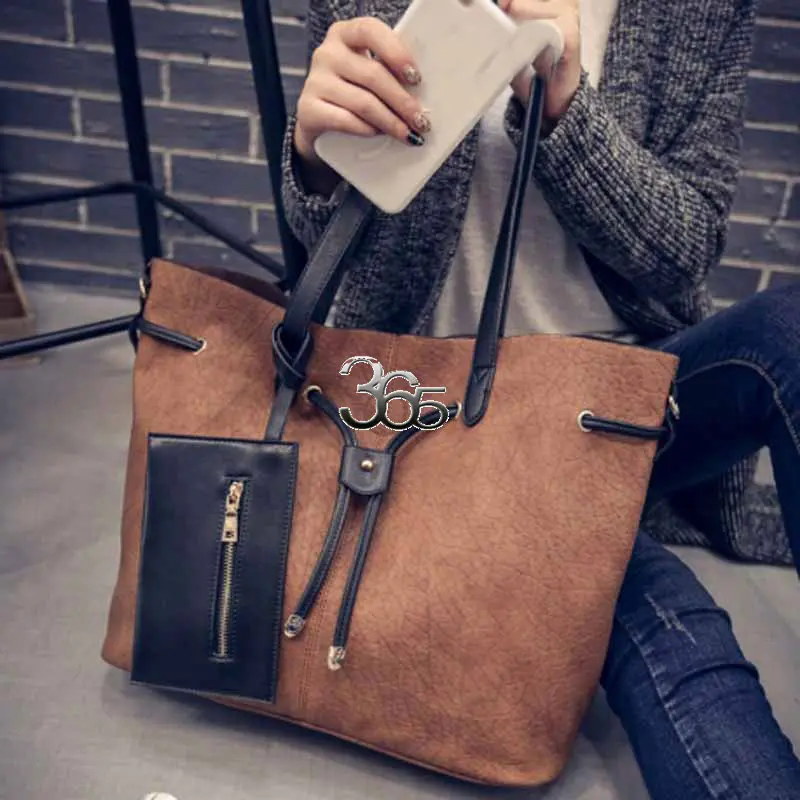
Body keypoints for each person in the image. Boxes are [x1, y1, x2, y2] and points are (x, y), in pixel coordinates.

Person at [280, 0, 800, 797]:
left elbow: (685, 251)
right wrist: (315, 158)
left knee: (788, 332)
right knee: (668, 621)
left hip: (627, 394)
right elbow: (331, 253)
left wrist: (565, 112)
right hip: (442, 411)